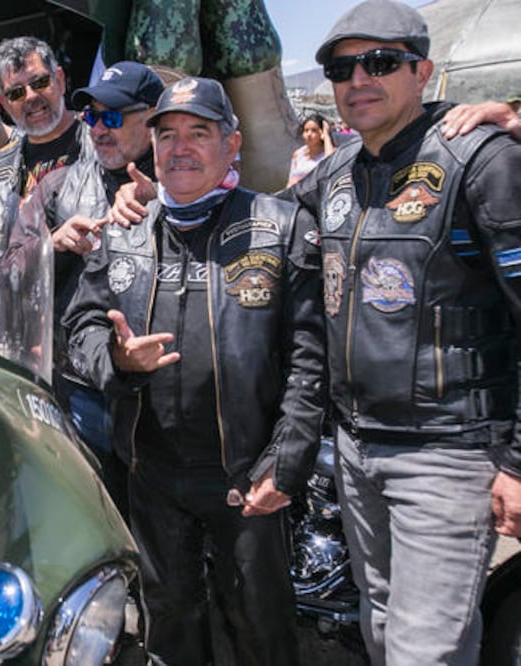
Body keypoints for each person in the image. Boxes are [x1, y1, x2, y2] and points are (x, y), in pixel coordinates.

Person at [63, 75, 324, 665]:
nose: (180, 148)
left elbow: (311, 358)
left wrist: (286, 461)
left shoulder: (278, 227)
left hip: (249, 480)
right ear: (151, 148)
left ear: (231, 145)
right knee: (171, 630)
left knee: (261, 632)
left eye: (198, 133)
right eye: (167, 135)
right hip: (152, 478)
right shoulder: (123, 228)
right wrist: (118, 362)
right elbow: (79, 330)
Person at [288, 1, 521, 663]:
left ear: (421, 71)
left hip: (446, 451)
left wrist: (517, 464)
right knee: (385, 624)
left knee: (422, 648)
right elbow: (252, 232)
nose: (357, 79)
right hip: (356, 447)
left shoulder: (480, 159)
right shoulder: (330, 176)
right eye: (340, 67)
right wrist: (141, 204)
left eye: (379, 62)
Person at [46, 61, 164, 518]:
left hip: (160, 394)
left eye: (111, 116)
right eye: (91, 116)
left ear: (153, 117)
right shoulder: (62, 183)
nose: (97, 128)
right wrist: (52, 245)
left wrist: (163, 202)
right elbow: (11, 264)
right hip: (82, 391)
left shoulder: (185, 178)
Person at [0, 36, 91, 198]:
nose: (30, 96)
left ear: (60, 80)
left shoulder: (101, 138)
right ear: (5, 105)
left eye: (40, 82)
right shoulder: (1, 166)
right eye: (16, 92)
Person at [287, 113, 335, 186]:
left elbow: (330, 163)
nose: (309, 134)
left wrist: (326, 135)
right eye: (306, 130)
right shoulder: (298, 154)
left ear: (321, 133)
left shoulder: (330, 151)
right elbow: (291, 180)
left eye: (314, 130)